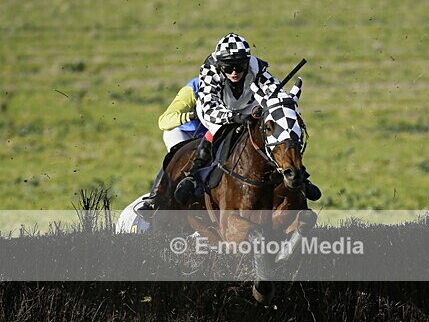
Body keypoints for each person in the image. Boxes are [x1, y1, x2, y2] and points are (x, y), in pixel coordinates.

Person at [173, 33, 321, 206]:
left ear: (247, 62)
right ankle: (193, 175)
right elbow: (209, 106)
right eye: (228, 68)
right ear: (220, 65)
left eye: (239, 67)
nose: (234, 72)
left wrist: (282, 103)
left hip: (247, 107)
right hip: (217, 110)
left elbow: (276, 92)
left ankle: (300, 175)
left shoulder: (256, 68)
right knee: (218, 129)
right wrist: (233, 117)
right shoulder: (209, 70)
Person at [134, 78, 206, 217]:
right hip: (184, 133)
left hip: (210, 136)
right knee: (179, 160)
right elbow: (164, 121)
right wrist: (193, 115)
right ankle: (154, 200)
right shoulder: (195, 87)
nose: (233, 72)